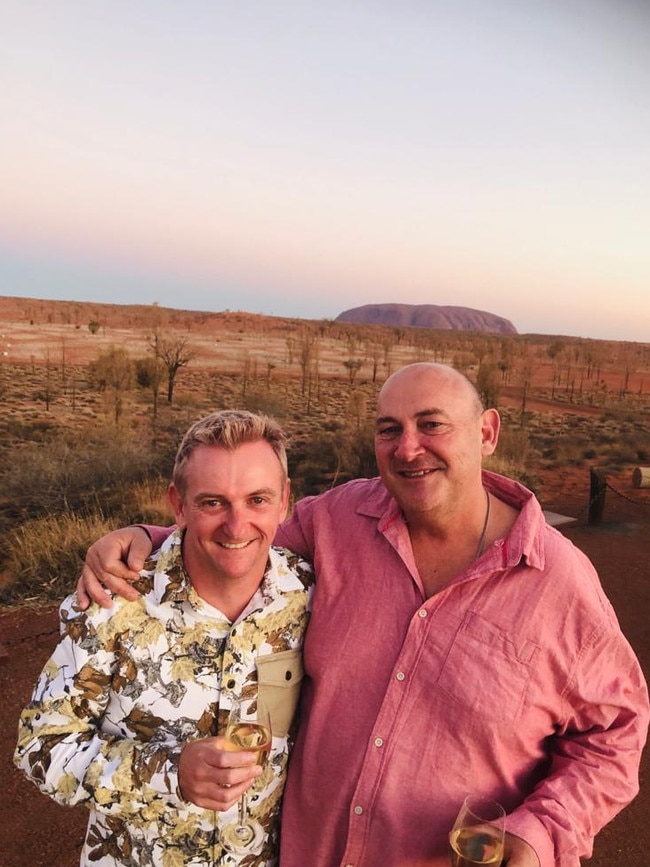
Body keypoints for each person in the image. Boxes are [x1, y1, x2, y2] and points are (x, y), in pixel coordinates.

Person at [75, 363, 649, 867]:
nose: (408, 447)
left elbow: (616, 734)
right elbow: (242, 534)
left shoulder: (558, 584)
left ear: (487, 432)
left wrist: (542, 832)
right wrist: (145, 539)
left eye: (432, 424)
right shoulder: (337, 519)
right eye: (389, 429)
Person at [15, 410, 314, 867]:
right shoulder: (112, 603)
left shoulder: (307, 595)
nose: (237, 526)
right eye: (213, 503)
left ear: (284, 501)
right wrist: (168, 772)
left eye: (257, 500)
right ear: (178, 505)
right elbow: (40, 746)